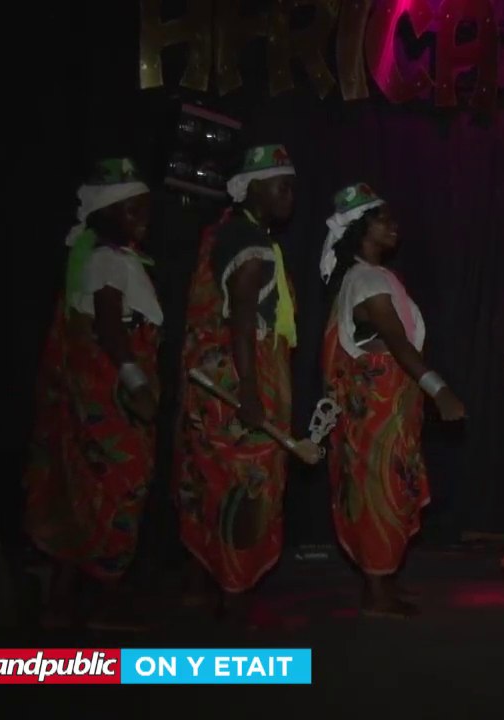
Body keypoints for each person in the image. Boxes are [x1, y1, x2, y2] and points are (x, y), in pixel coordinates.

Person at [23, 158, 162, 630]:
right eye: (132, 210)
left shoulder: (98, 257)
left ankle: (61, 603)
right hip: (114, 400)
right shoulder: (106, 260)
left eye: (145, 208)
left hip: (94, 402)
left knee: (83, 490)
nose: (142, 218)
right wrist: (137, 383)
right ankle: (105, 601)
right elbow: (109, 326)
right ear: (106, 212)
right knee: (122, 485)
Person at [319, 182, 466, 619]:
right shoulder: (365, 280)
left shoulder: (374, 277)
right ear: (362, 228)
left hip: (390, 411)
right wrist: (439, 389)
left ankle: (383, 584)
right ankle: (377, 594)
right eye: (383, 218)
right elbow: (398, 344)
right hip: (378, 415)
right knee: (377, 494)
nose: (393, 226)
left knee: (386, 492)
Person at [176, 144, 298, 624]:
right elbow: (243, 319)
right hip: (239, 381)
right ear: (251, 189)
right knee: (248, 487)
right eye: (281, 186)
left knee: (213, 480)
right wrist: (250, 390)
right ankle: (235, 596)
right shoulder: (250, 247)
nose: (291, 195)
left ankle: (207, 587)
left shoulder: (223, 234)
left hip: (212, 381)